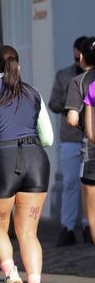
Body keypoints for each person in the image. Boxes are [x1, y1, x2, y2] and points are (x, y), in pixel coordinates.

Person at [0, 45, 54, 283]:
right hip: (36, 159)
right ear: (17, 66)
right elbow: (49, 138)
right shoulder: (33, 92)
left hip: (4, 159)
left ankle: (11, 275)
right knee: (29, 232)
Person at [49, 36, 89, 246]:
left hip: (91, 136)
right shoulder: (64, 75)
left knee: (89, 184)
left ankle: (88, 225)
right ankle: (67, 227)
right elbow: (53, 103)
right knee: (70, 183)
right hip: (71, 136)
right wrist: (70, 101)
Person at [68, 37, 95, 244]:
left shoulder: (79, 82)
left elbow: (72, 119)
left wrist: (84, 128)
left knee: (93, 217)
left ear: (82, 56)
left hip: (92, 152)